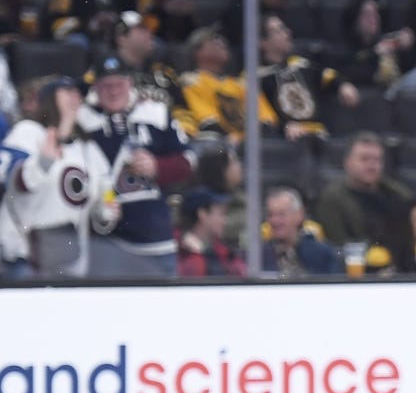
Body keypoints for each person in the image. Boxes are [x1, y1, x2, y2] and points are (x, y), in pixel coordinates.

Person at [77, 54, 194, 278]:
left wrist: (157, 166)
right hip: (106, 242)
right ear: (95, 88)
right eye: (106, 86)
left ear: (130, 83)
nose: (113, 91)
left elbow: (188, 163)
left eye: (118, 84)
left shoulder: (155, 113)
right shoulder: (82, 120)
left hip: (156, 240)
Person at [0, 75, 115, 278]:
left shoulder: (87, 148)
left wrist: (108, 209)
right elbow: (17, 181)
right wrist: (45, 160)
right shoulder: (27, 132)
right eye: (67, 91)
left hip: (69, 258)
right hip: (21, 255)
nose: (75, 96)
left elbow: (106, 189)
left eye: (77, 93)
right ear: (49, 98)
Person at [257, 13, 361, 203]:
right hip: (290, 138)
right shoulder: (256, 76)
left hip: (319, 133)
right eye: (278, 30)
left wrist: (343, 85)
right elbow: (261, 112)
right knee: (305, 156)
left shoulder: (301, 64)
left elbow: (328, 76)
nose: (287, 33)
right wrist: (284, 127)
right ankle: (308, 202)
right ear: (262, 42)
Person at [313, 132, 416, 274]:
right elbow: (337, 245)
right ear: (347, 163)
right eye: (364, 159)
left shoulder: (398, 196)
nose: (372, 165)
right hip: (352, 275)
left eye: (377, 160)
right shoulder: (332, 199)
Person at [180, 26, 278, 146]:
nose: (222, 43)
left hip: (251, 144)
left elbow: (267, 120)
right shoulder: (192, 81)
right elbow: (208, 122)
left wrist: (244, 138)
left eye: (223, 41)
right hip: (219, 144)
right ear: (197, 52)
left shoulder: (241, 84)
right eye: (214, 40)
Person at [262, 185, 342, 277]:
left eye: (281, 214)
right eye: (270, 215)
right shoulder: (257, 257)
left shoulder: (324, 255)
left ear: (299, 215)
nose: (274, 221)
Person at [176, 186, 246, 278]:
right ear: (202, 214)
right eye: (221, 213)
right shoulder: (181, 255)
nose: (225, 221)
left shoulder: (223, 252)